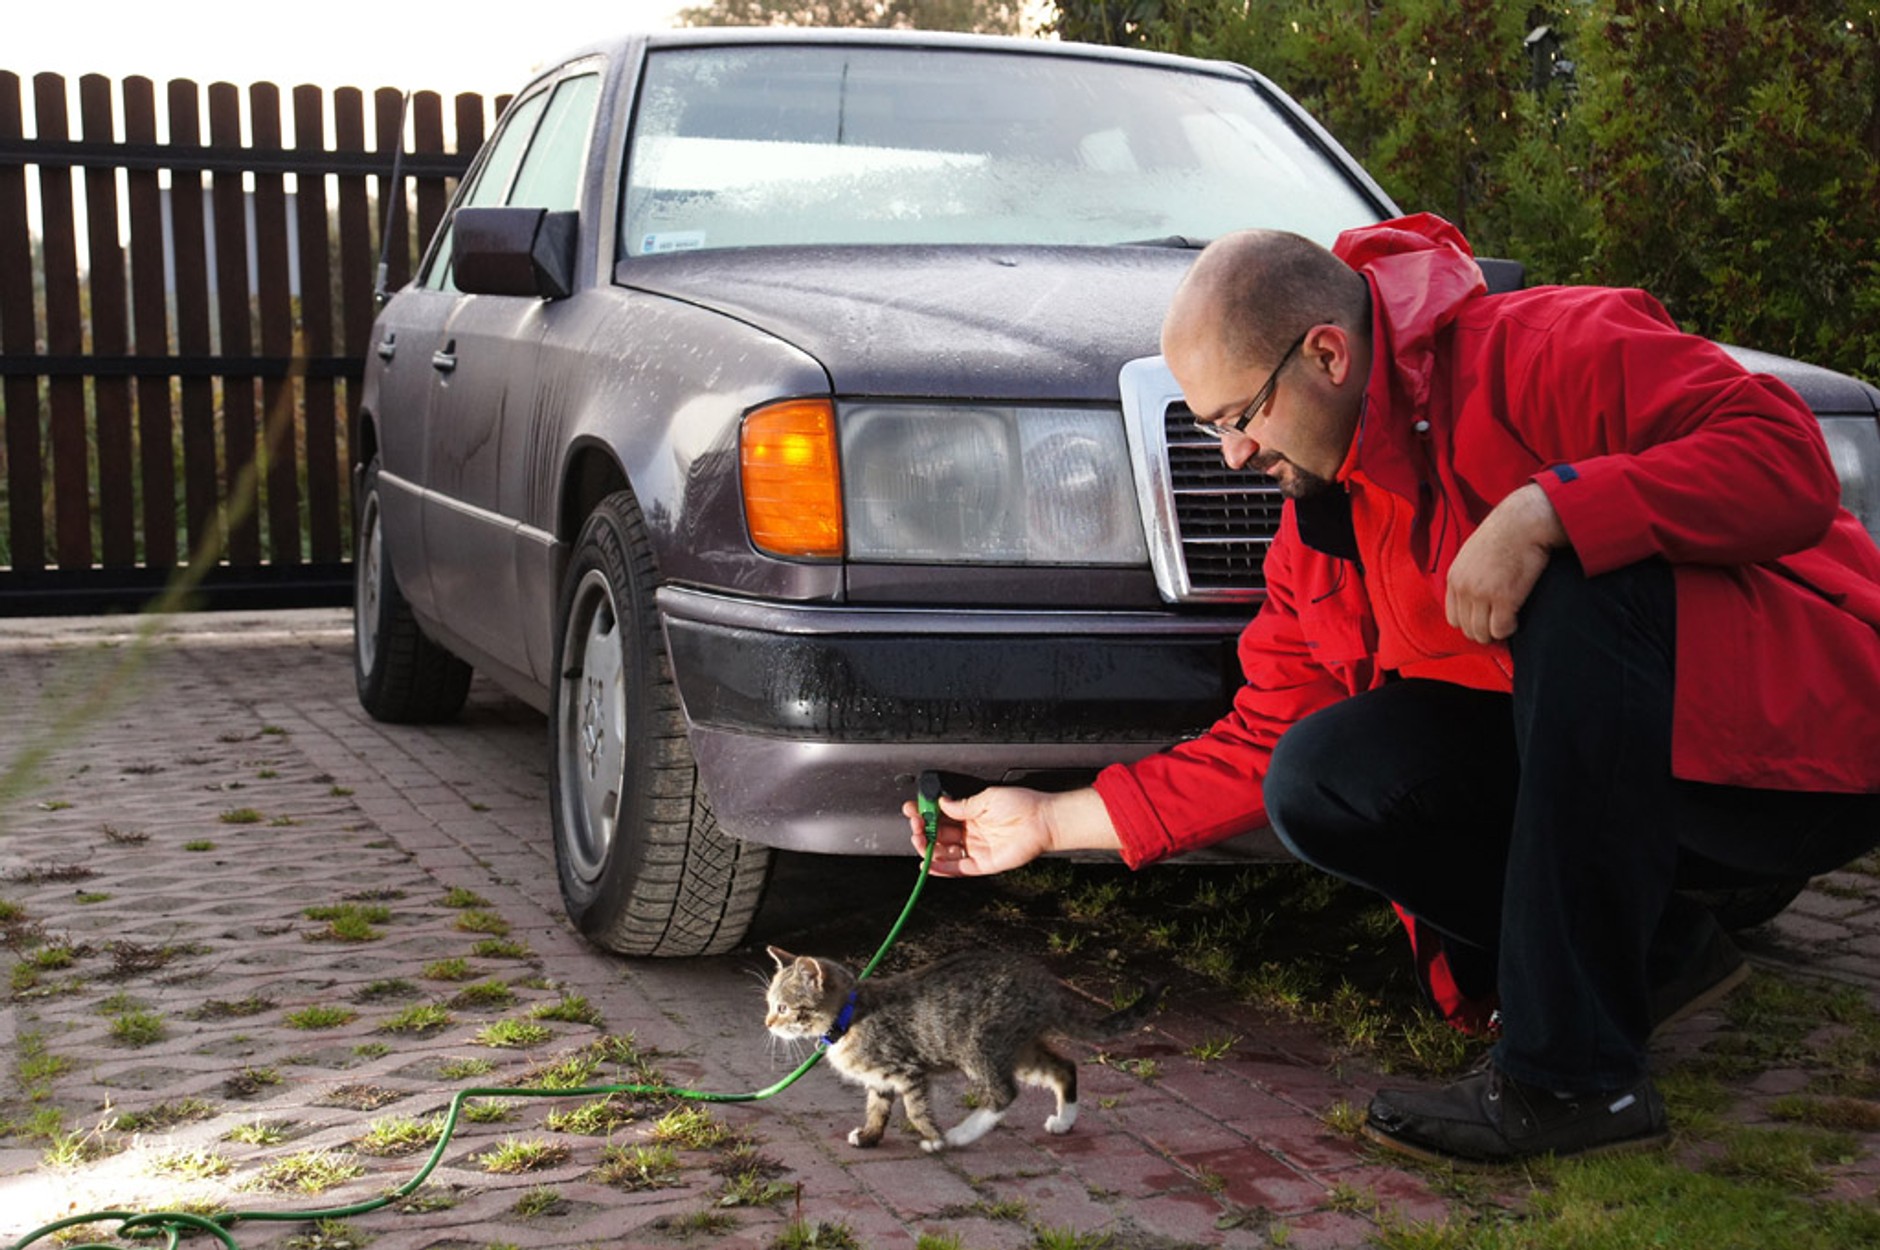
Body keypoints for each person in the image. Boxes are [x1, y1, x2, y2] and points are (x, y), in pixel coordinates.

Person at [904, 212, 1880, 1166]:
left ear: (1325, 355)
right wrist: (1046, 817)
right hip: (1635, 790)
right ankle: (1656, 958)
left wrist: (1548, 507)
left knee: (1581, 574)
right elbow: (1257, 742)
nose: (1233, 455)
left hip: (1800, 757)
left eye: (1238, 419)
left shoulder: (1546, 346)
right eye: (1211, 431)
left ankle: (1574, 1077)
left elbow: (1786, 457)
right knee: (1319, 772)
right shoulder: (1321, 534)